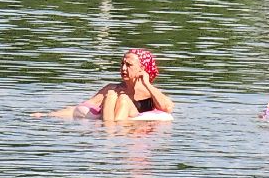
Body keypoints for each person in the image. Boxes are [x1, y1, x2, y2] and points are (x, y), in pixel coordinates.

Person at [34, 48, 175, 123]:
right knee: (113, 94)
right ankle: (110, 133)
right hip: (110, 126)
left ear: (142, 69)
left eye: (129, 65)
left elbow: (167, 108)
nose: (123, 69)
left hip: (132, 132)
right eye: (122, 64)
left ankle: (113, 131)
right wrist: (47, 115)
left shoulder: (150, 92)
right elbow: (78, 109)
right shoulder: (112, 89)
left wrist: (146, 83)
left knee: (124, 99)